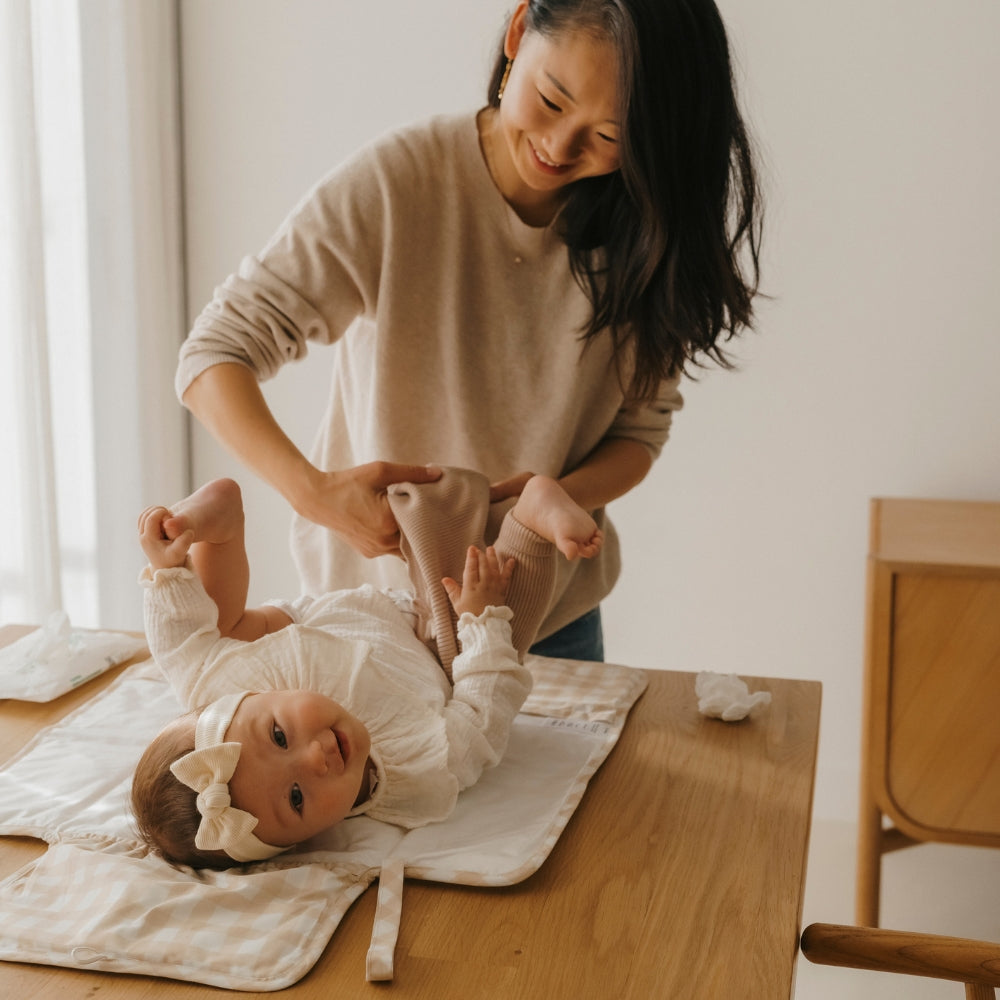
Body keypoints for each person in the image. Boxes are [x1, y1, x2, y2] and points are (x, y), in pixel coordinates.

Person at [175, 0, 762, 662]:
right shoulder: (400, 185)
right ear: (518, 33)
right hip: (374, 615)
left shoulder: (649, 235)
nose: (561, 147)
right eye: (551, 98)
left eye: (608, 137)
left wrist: (548, 507)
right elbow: (213, 354)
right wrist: (314, 494)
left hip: (544, 620)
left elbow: (639, 434)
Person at [131, 469, 604, 870]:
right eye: (296, 798)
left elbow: (180, 643)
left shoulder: (221, 686)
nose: (315, 759)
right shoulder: (421, 774)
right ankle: (530, 523)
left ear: (243, 704)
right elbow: (486, 708)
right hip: (435, 655)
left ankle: (218, 527)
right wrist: (482, 618)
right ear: (301, 844)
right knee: (489, 613)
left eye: (278, 736)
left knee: (206, 644)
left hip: (327, 627)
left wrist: (168, 564)